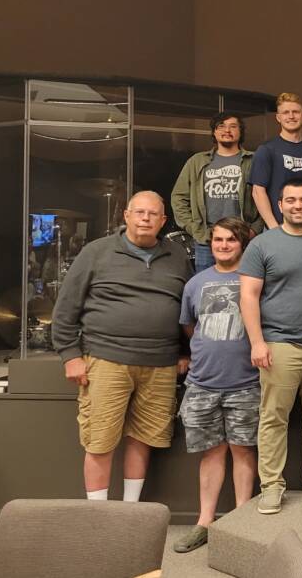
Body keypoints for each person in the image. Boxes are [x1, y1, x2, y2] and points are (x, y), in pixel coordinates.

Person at [53, 191, 191, 503]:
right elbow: (65, 308)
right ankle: (98, 515)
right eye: (139, 212)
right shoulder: (96, 252)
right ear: (126, 216)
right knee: (100, 440)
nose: (145, 218)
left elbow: (186, 308)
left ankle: (130, 512)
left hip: (160, 363)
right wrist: (70, 355)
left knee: (143, 437)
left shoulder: (177, 256)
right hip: (107, 358)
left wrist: (185, 351)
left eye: (152, 214)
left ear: (163, 221)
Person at [240, 178, 302, 515]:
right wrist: (257, 342)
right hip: (279, 344)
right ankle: (271, 486)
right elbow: (249, 296)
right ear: (280, 205)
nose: (298, 206)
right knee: (274, 417)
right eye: (292, 200)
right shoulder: (262, 244)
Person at [172, 217, 258, 553]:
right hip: (202, 384)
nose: (223, 245)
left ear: (242, 244)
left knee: (243, 450)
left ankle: (241, 524)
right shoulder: (196, 283)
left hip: (246, 382)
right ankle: (204, 522)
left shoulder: (254, 280)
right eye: (218, 240)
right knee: (211, 453)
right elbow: (189, 327)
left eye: (231, 240)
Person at [172, 113, 263, 272]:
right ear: (214, 132)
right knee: (207, 284)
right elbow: (179, 197)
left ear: (240, 131)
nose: (227, 130)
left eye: (233, 126)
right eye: (221, 126)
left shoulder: (254, 160)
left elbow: (266, 197)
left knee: (245, 282)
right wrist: (194, 228)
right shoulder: (197, 161)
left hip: (243, 239)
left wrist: (254, 229)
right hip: (206, 241)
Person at [250, 92, 302, 230]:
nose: (291, 116)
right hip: (276, 226)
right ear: (278, 117)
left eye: (295, 112)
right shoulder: (267, 149)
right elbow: (258, 192)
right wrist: (274, 228)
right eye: (285, 112)